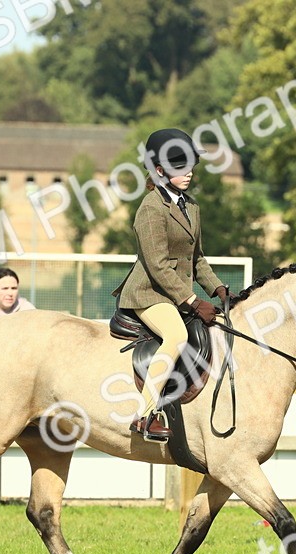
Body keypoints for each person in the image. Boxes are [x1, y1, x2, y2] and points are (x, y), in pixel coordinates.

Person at [112, 128, 227, 443]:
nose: (188, 173)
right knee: (176, 335)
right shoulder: (150, 208)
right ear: (159, 171)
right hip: (148, 293)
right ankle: (146, 415)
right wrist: (191, 300)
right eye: (179, 167)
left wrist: (218, 288)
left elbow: (197, 259)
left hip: (174, 293)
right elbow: (158, 265)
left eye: (189, 165)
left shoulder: (191, 206)